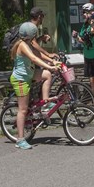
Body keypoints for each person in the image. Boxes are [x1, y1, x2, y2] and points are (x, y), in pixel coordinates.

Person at [10, 20, 61, 149]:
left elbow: (38, 55)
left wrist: (52, 61)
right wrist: (49, 67)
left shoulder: (28, 44)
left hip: (29, 74)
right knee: (23, 110)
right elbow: (34, 59)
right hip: (21, 80)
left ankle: (45, 102)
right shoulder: (22, 45)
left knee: (46, 75)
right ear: (32, 35)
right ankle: (20, 139)